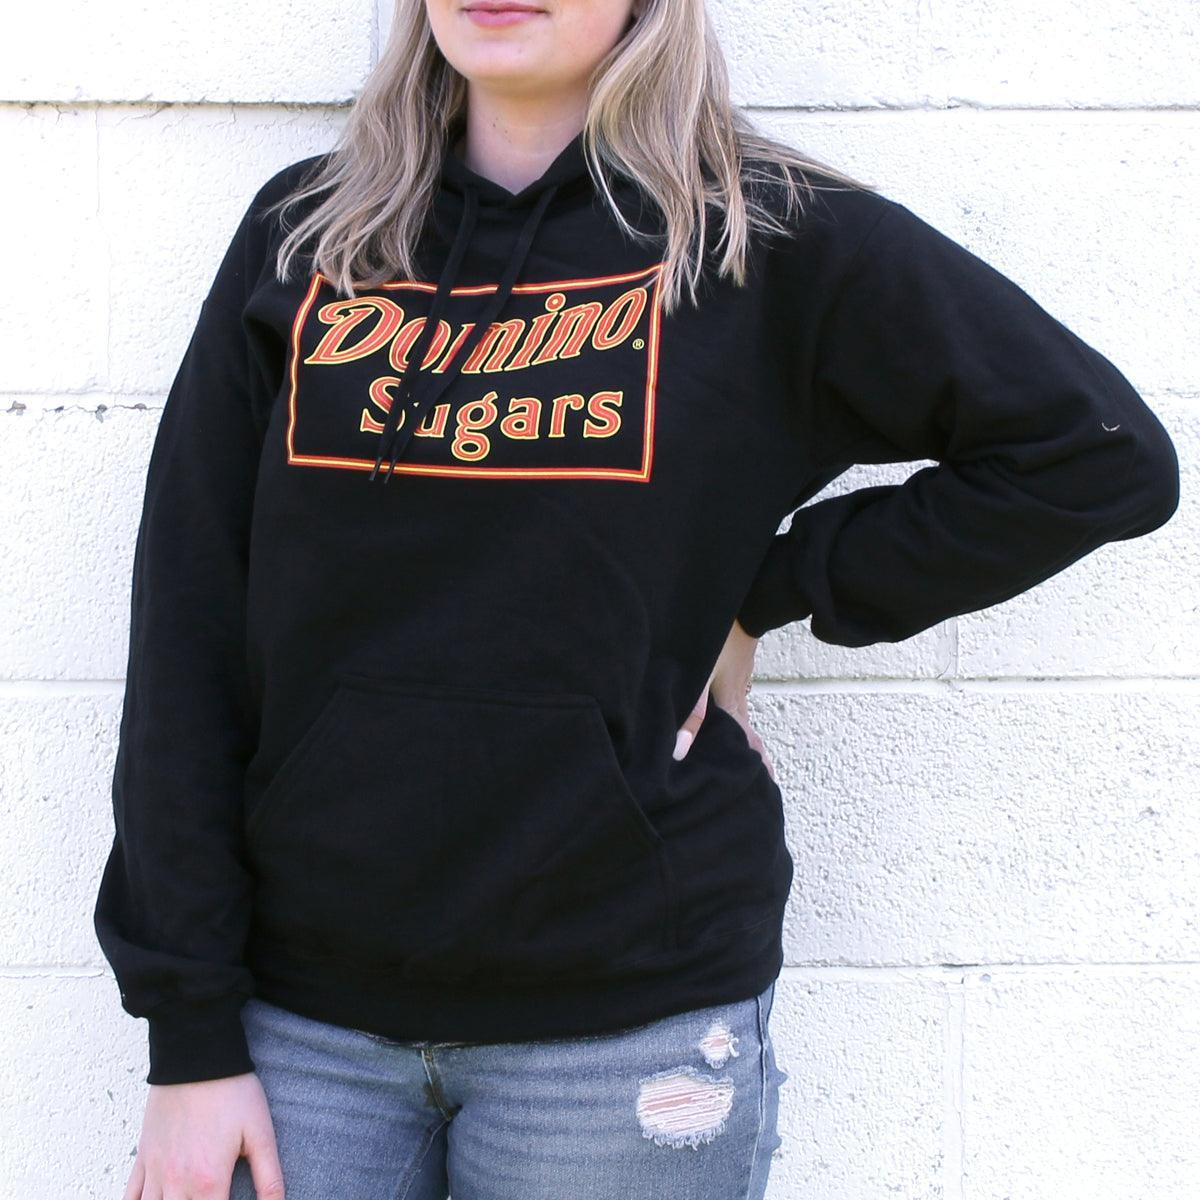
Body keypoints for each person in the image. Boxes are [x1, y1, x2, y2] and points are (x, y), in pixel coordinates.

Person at [93, 0, 1181, 1195]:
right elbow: (187, 622)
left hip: (625, 1034)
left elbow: (1093, 456)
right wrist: (188, 1034)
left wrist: (770, 590)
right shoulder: (311, 232)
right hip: (299, 1029)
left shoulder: (763, 238)